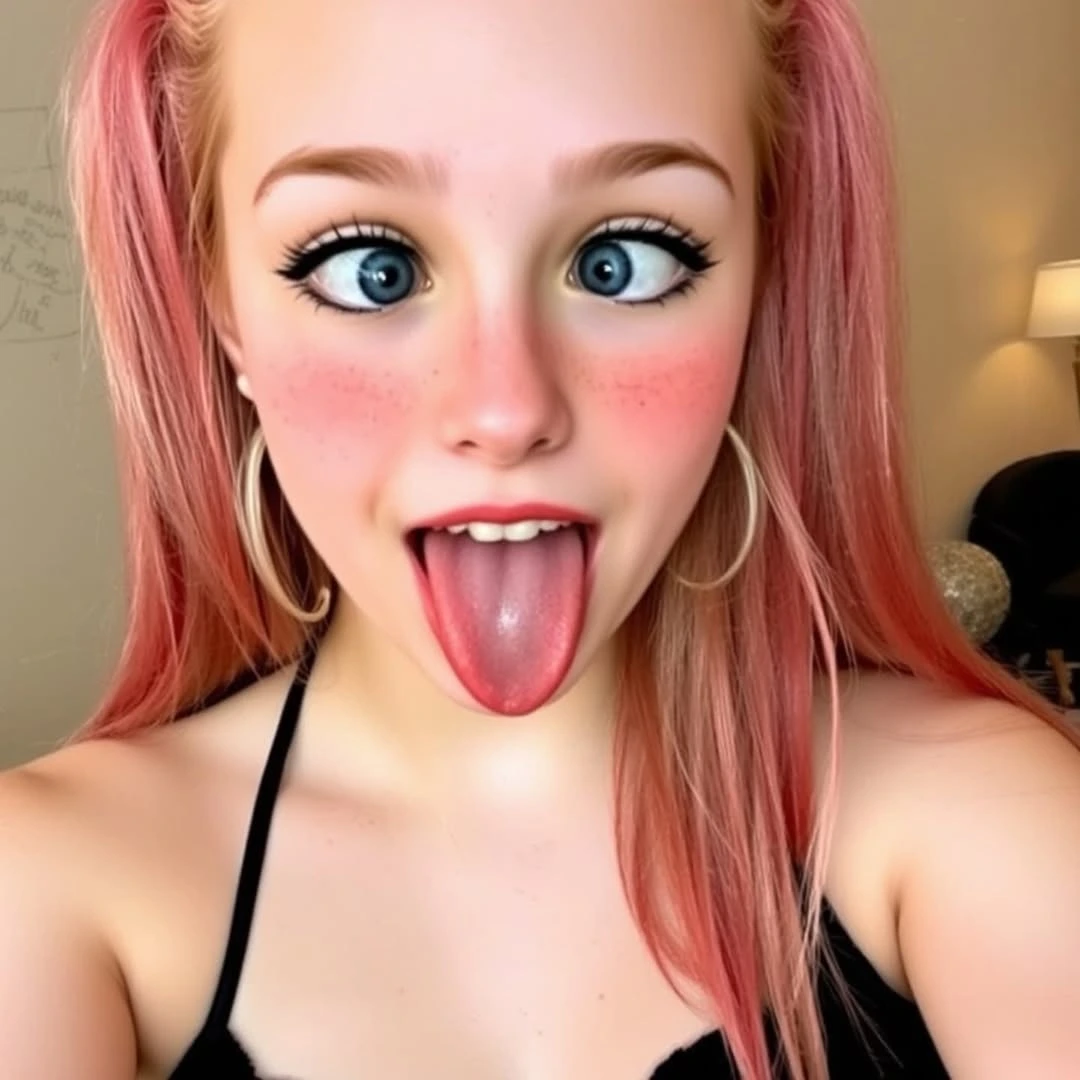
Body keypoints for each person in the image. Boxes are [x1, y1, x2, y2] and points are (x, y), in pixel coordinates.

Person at [1, 0, 1077, 1076]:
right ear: (226, 310)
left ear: (761, 286)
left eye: (623, 259)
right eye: (371, 267)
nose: (507, 411)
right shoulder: (50, 886)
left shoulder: (983, 813)